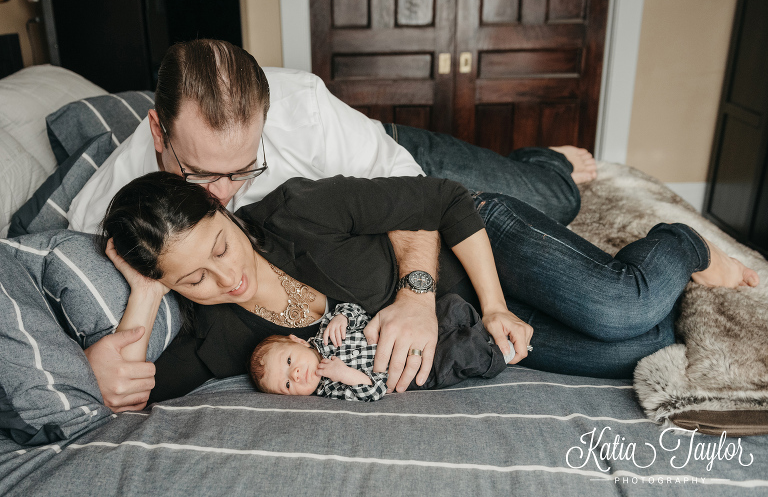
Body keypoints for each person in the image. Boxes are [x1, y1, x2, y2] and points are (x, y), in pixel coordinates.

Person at [75, 38, 596, 408]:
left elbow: (417, 192)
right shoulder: (103, 211)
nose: (221, 194)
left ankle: (546, 161)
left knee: (555, 195)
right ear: (159, 132)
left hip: (386, 167)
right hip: (364, 209)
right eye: (201, 174)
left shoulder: (302, 109)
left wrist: (415, 296)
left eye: (242, 169)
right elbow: (133, 362)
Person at [99, 172, 759, 408]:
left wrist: (439, 297)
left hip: (480, 249)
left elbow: (442, 199)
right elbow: (129, 395)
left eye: (220, 246)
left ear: (221, 206)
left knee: (622, 307)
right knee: (642, 344)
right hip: (467, 330)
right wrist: (148, 293)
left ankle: (681, 243)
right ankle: (635, 277)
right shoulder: (217, 339)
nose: (228, 278)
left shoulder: (301, 211)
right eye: (195, 280)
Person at [251, 297, 514, 400]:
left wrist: (343, 318)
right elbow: (374, 389)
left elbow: (354, 310)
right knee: (461, 353)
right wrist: (344, 374)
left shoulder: (326, 334)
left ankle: (482, 327)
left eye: (287, 362)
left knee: (451, 306)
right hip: (419, 370)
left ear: (297, 340)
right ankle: (499, 354)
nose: (295, 375)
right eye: (287, 385)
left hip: (408, 330)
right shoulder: (330, 388)